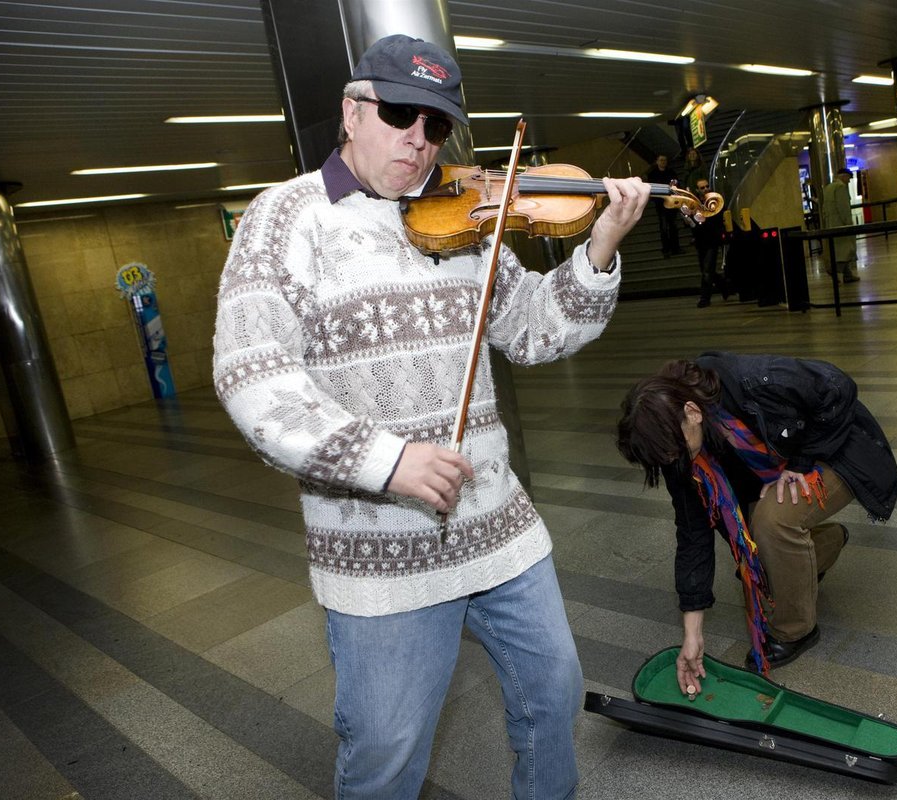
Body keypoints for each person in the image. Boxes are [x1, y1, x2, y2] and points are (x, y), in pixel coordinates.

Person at [213, 34, 650, 800]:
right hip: (379, 559)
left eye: (437, 125)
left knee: (553, 698)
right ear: (352, 111)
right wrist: (387, 461)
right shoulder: (284, 218)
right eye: (400, 114)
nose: (419, 140)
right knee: (386, 755)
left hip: (499, 528)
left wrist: (600, 251)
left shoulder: (467, 217)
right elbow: (252, 376)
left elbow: (534, 332)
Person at [615, 352, 897, 695]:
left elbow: (835, 386)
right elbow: (693, 535)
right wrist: (692, 635)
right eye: (666, 459)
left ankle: (796, 630)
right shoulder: (678, 446)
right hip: (777, 465)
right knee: (755, 556)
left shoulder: (749, 378)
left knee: (771, 522)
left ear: (692, 412)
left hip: (835, 450)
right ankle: (824, 544)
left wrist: (799, 463)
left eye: (675, 451)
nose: (676, 461)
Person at [688, 177, 727, 307]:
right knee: (705, 269)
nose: (705, 189)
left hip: (712, 239)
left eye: (706, 186)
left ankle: (705, 298)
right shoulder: (696, 203)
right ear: (697, 190)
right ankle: (725, 286)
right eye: (702, 187)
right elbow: (693, 223)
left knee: (707, 269)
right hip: (701, 241)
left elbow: (718, 219)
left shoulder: (715, 200)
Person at [821, 168, 859, 282]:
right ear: (844, 176)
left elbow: (824, 207)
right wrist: (848, 223)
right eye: (848, 178)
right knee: (846, 250)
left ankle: (847, 275)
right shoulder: (840, 187)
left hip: (830, 223)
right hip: (841, 223)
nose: (849, 181)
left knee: (838, 250)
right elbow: (843, 207)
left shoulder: (828, 188)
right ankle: (834, 269)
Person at [646, 154, 682, 256]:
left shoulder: (671, 172)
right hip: (660, 204)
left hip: (671, 201)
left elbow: (676, 185)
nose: (663, 162)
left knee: (673, 226)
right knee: (664, 226)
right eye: (661, 160)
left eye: (665, 160)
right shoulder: (652, 174)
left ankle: (675, 248)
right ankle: (666, 249)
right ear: (657, 161)